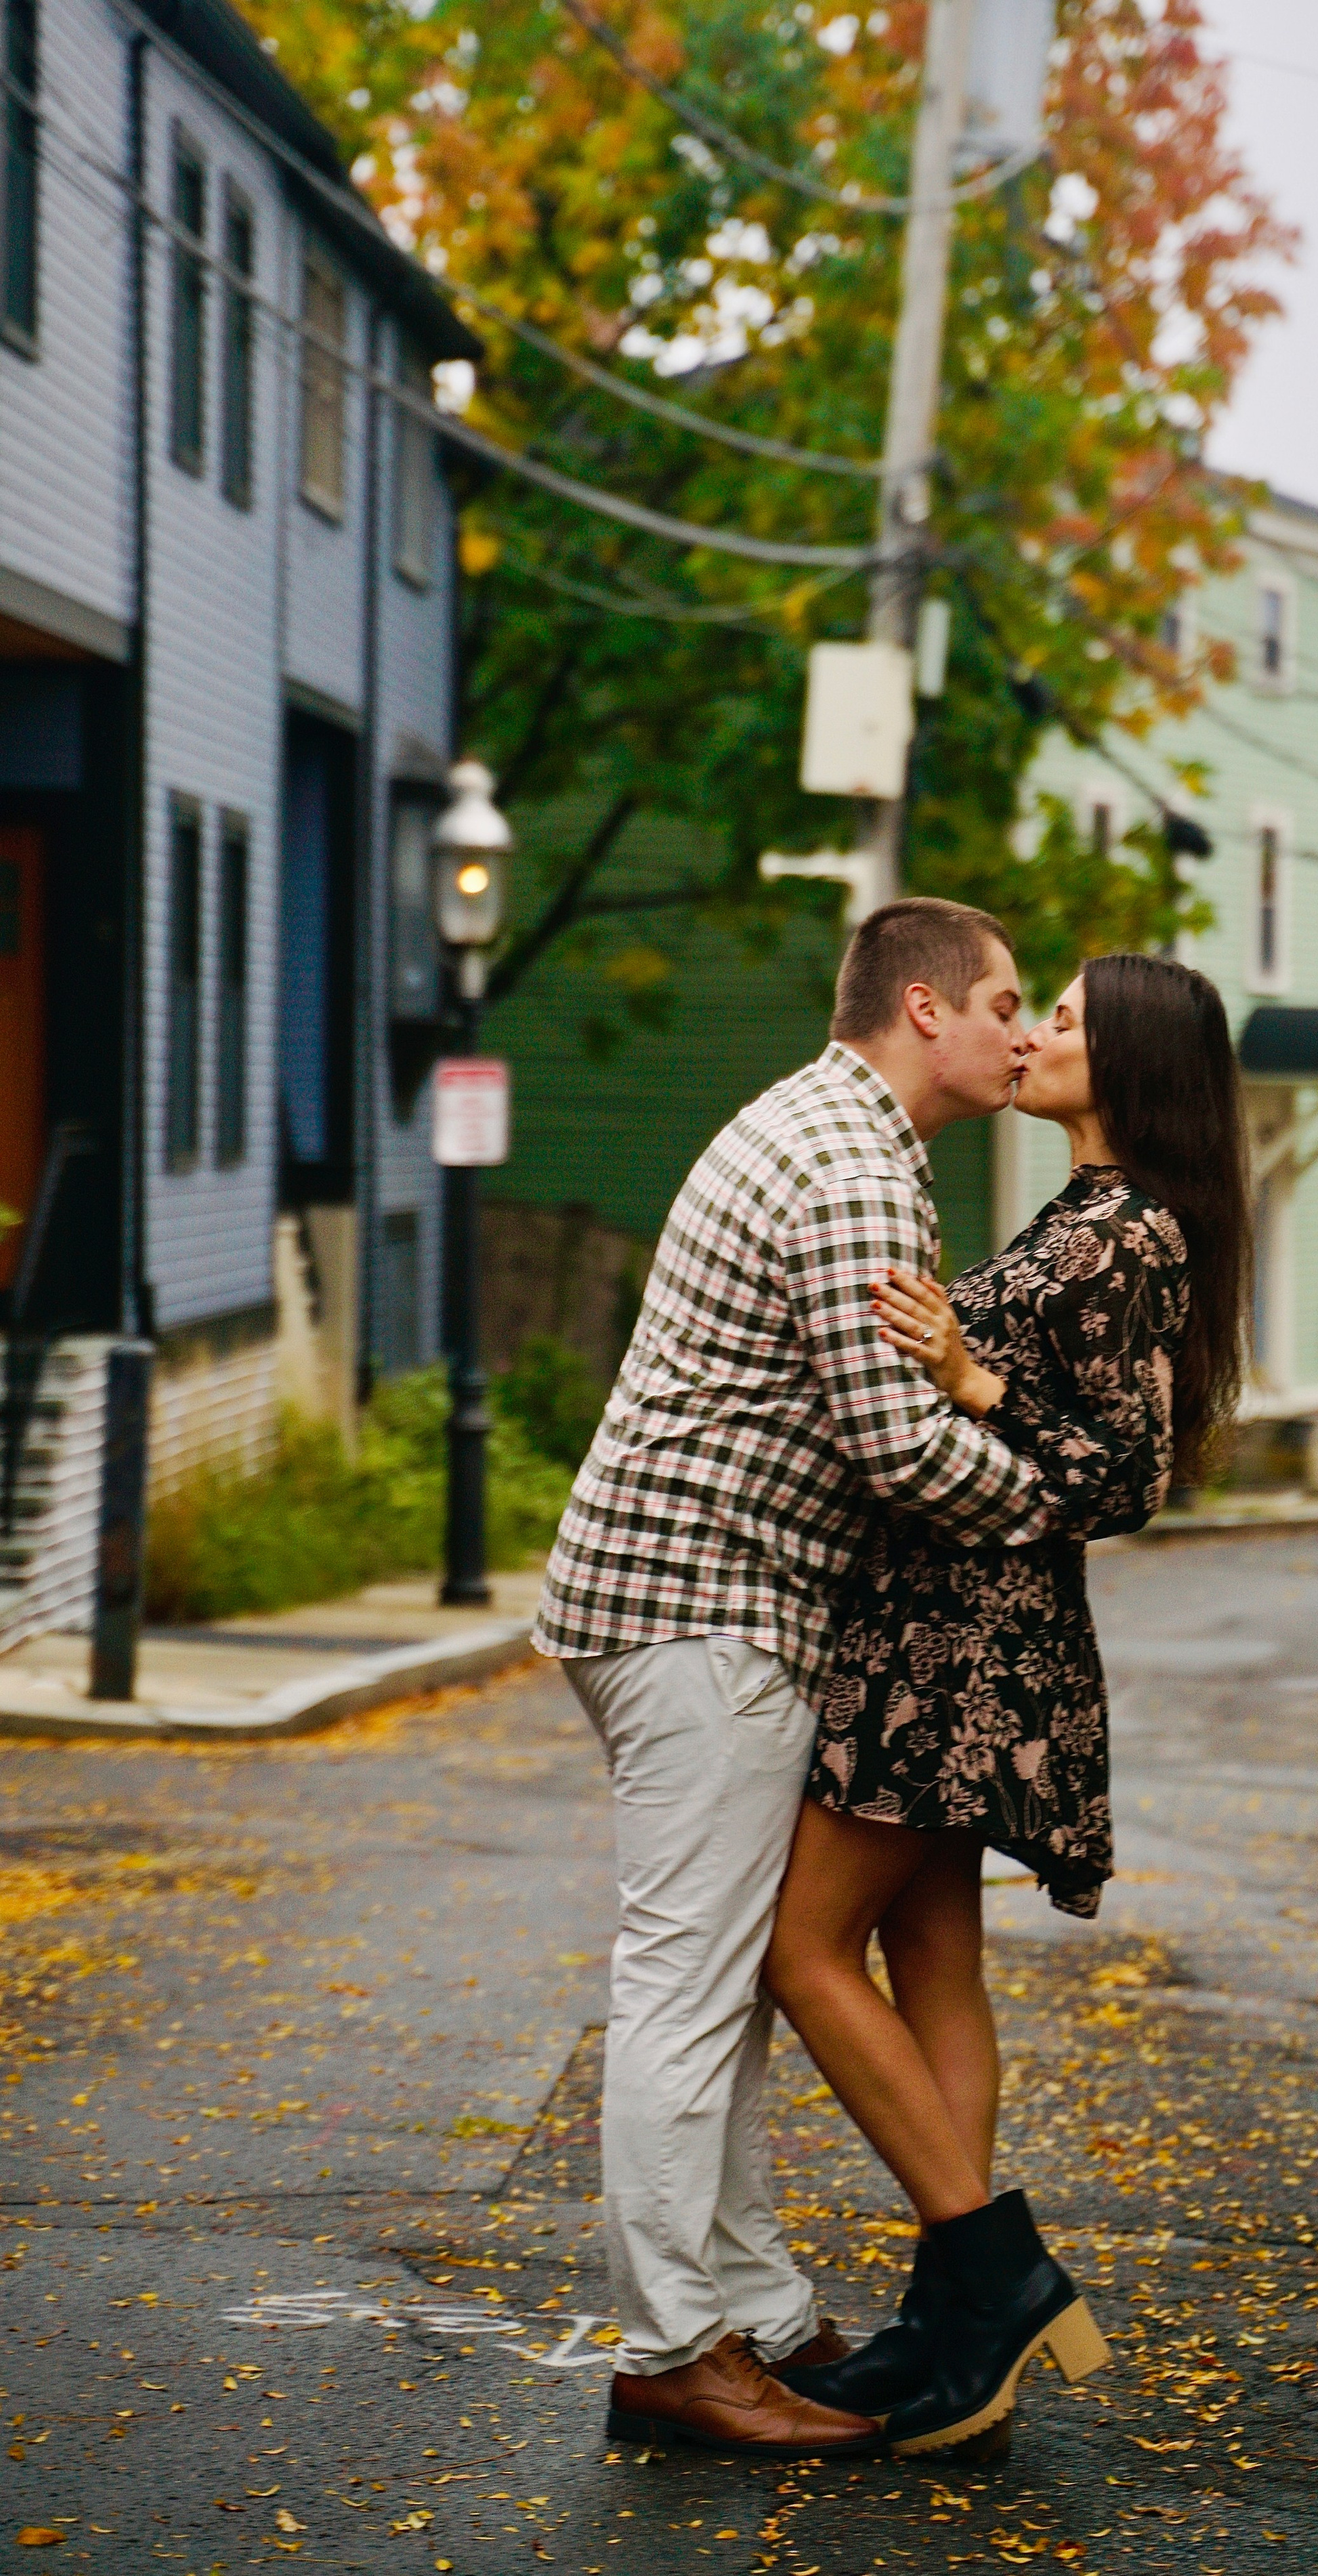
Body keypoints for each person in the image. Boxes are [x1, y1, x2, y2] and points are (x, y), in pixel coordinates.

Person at [532, 897, 1059, 2455]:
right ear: (921, 1007)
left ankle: (756, 2316)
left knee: (727, 1987)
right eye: (1006, 1003)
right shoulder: (842, 1164)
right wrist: (1053, 1493)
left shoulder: (857, 1141)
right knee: (685, 1991)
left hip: (708, 1602)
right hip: (700, 1608)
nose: (1024, 1032)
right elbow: (890, 1438)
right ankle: (670, 2346)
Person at [765, 953, 1251, 2457]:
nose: (1034, 1034)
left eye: (1068, 1024)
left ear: (1133, 1068)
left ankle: (990, 2270)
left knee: (798, 1945)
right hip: (951, 1623)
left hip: (962, 1644)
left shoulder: (1128, 1235)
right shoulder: (1084, 1215)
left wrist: (974, 1381)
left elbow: (1123, 1479)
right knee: (933, 1958)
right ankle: (947, 2322)